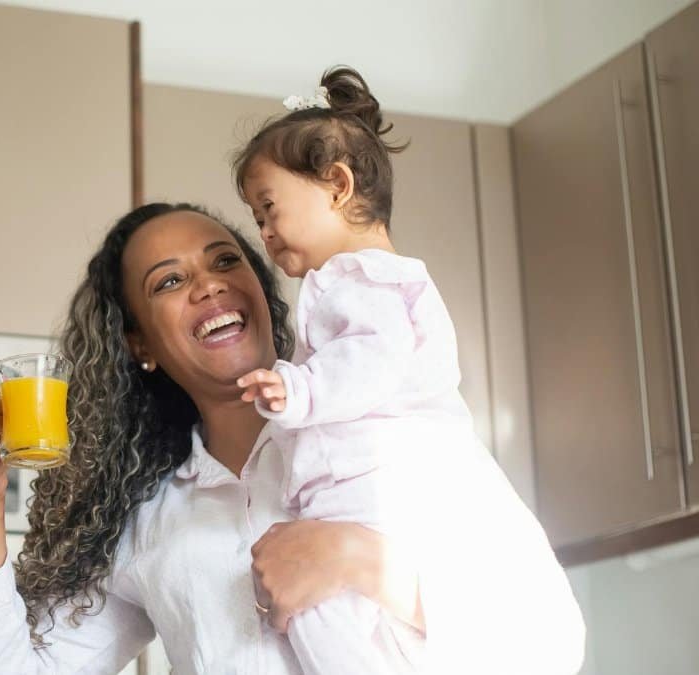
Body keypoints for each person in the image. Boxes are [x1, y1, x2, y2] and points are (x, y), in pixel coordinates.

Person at [0, 202, 584, 674]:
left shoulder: (391, 432)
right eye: (170, 281)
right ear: (140, 344)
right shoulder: (151, 521)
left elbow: (551, 641)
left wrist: (360, 558)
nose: (208, 284)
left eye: (224, 260)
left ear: (260, 290)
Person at [232, 66, 584, 673]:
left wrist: (299, 387)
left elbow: (372, 359)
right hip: (360, 498)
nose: (262, 233)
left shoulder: (369, 279)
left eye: (268, 209)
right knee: (326, 617)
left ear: (337, 186)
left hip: (393, 483)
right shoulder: (345, 283)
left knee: (331, 616)